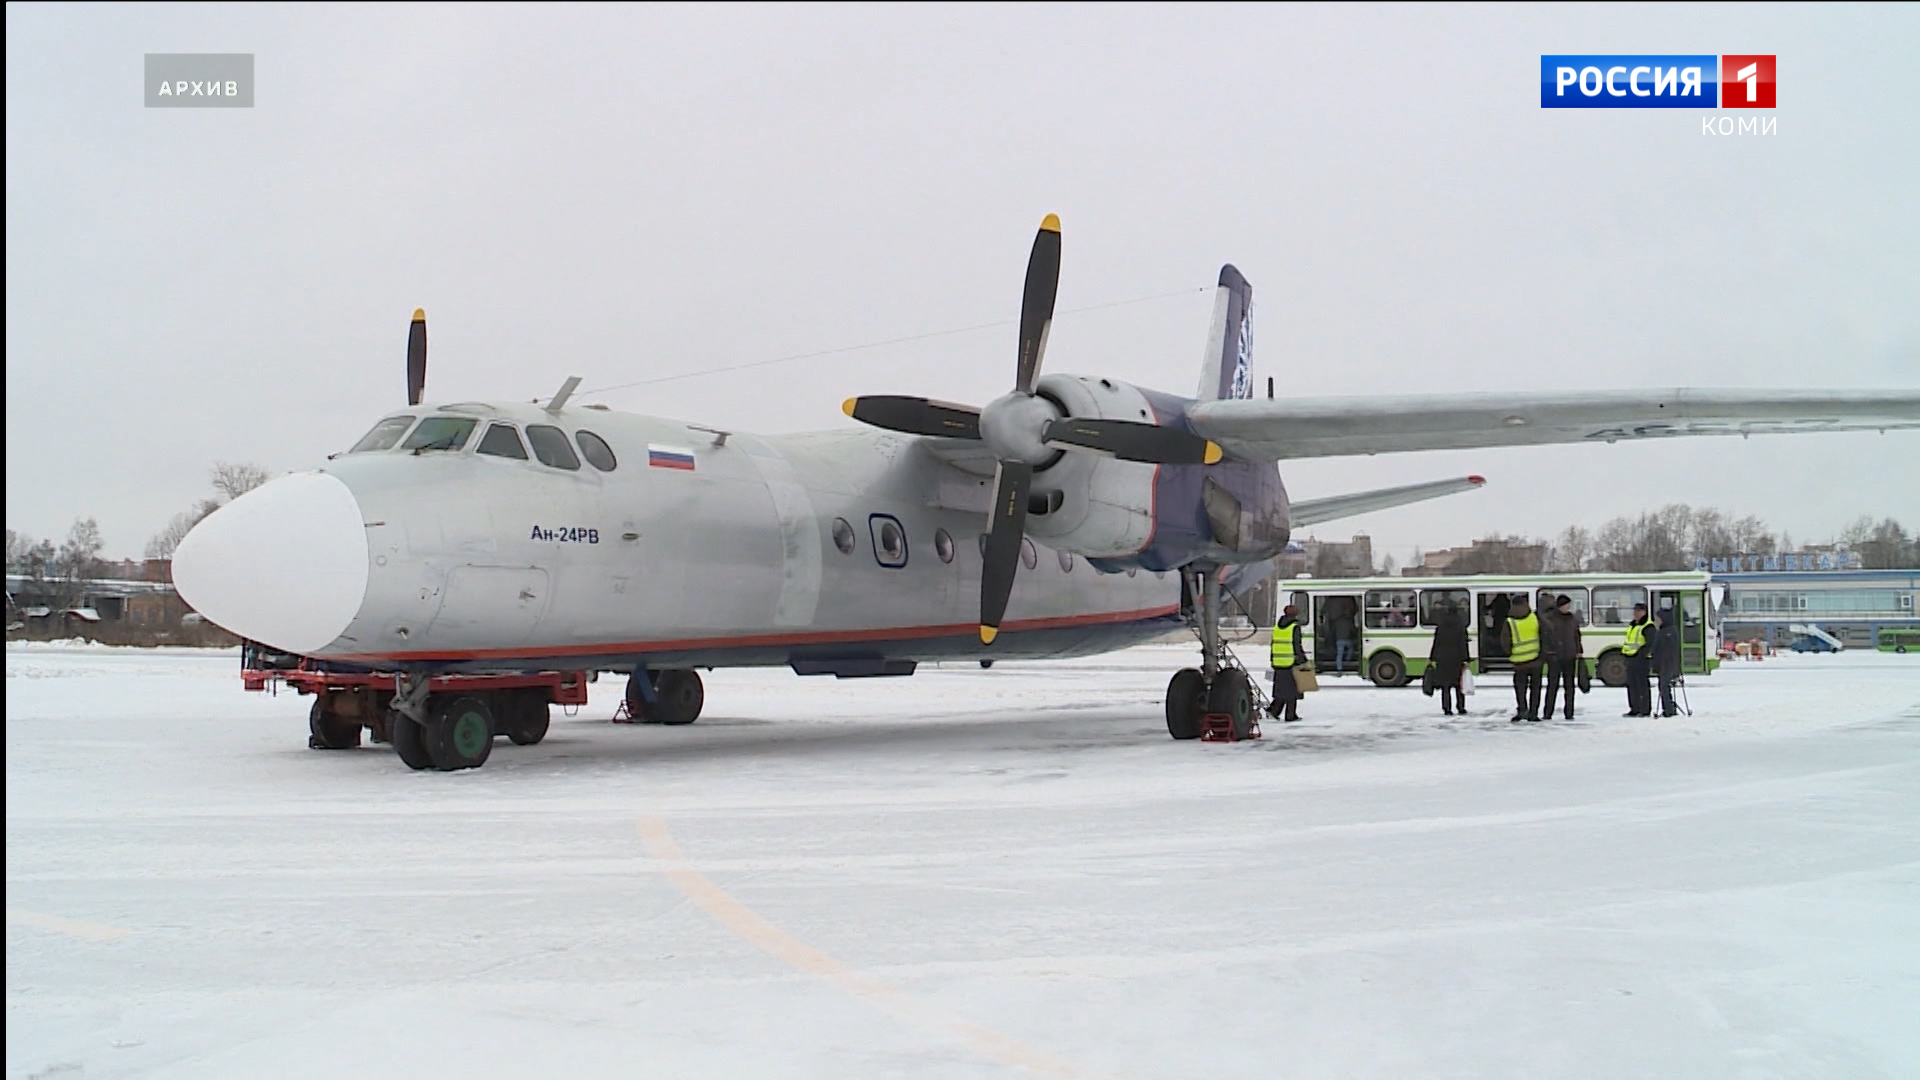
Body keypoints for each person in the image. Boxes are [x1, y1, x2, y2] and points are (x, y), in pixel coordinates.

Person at [1541, 593, 1583, 720]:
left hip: (1569, 656)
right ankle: (1548, 712)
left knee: (1569, 686)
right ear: (1559, 606)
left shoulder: (1572, 619)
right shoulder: (1550, 619)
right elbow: (1545, 637)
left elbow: (1577, 636)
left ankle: (1569, 712)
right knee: (1552, 685)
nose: (1568, 607)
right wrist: (1548, 652)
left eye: (1569, 605)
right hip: (1554, 656)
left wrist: (1579, 650)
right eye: (1566, 605)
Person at [1504, 595, 1544, 722]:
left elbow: (1505, 641)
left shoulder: (1509, 621)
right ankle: (1533, 713)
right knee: (1535, 688)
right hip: (1536, 660)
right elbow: (1545, 632)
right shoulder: (1535, 617)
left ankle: (1522, 710)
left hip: (1519, 662)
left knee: (1520, 688)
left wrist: (1511, 653)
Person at [1428, 602, 1470, 716]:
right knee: (1458, 684)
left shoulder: (1441, 626)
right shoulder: (1461, 626)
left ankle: (1447, 708)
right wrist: (1466, 658)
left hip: (1443, 658)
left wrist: (1432, 657)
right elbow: (1463, 643)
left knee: (1445, 685)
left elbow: (1436, 643)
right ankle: (1460, 707)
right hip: (1457, 658)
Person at [1268, 604, 1304, 722]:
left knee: (1281, 688)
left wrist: (1272, 659)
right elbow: (1296, 645)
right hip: (1290, 661)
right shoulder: (1294, 627)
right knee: (1292, 689)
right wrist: (1302, 659)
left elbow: (1273, 644)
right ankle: (1290, 715)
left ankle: (1274, 710)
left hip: (1278, 662)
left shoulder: (1277, 627)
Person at [1621, 602, 1653, 717]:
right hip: (1630, 658)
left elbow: (1651, 643)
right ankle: (1634, 708)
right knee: (1631, 685)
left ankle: (1645, 709)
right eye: (1634, 611)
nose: (1635, 613)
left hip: (1641, 660)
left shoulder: (1648, 626)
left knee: (1642, 685)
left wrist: (1641, 654)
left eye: (1638, 611)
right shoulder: (1633, 625)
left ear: (1644, 612)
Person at [1650, 608, 1682, 717]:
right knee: (1663, 686)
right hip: (1664, 663)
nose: (1656, 621)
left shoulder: (1668, 632)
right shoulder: (1664, 631)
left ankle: (1669, 709)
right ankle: (1668, 707)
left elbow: (1666, 650)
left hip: (1667, 663)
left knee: (1664, 686)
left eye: (1658, 619)